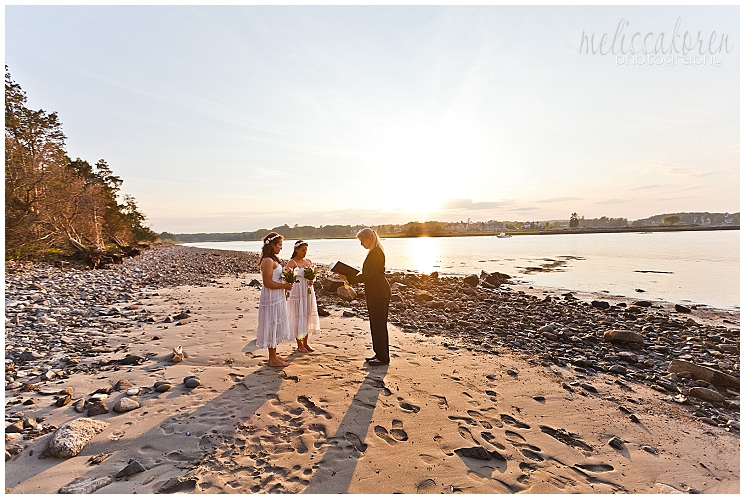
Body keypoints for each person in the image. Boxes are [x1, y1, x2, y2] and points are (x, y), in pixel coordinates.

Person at [345, 228, 391, 366]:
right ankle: (379, 354)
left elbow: (368, 275)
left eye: (362, 241)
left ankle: (383, 357)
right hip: (375, 292)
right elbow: (369, 274)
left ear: (370, 238)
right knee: (375, 324)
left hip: (379, 293)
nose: (361, 244)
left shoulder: (376, 253)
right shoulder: (374, 252)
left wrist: (349, 278)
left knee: (379, 325)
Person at [257, 232, 295, 367]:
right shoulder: (267, 260)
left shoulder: (274, 259)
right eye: (279, 245)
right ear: (272, 245)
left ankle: (274, 354)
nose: (281, 248)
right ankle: (272, 359)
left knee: (276, 324)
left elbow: (276, 278)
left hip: (277, 296)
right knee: (272, 323)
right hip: (271, 297)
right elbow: (267, 282)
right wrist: (284, 285)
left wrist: (285, 283)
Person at [286, 240, 321, 353]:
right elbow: (286, 277)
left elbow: (313, 276)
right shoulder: (292, 263)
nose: (305, 252)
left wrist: (312, 280)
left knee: (307, 315)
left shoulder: (308, 261)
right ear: (296, 250)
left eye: (306, 250)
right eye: (302, 250)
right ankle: (299, 344)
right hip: (297, 291)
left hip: (307, 291)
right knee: (298, 316)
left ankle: (306, 343)